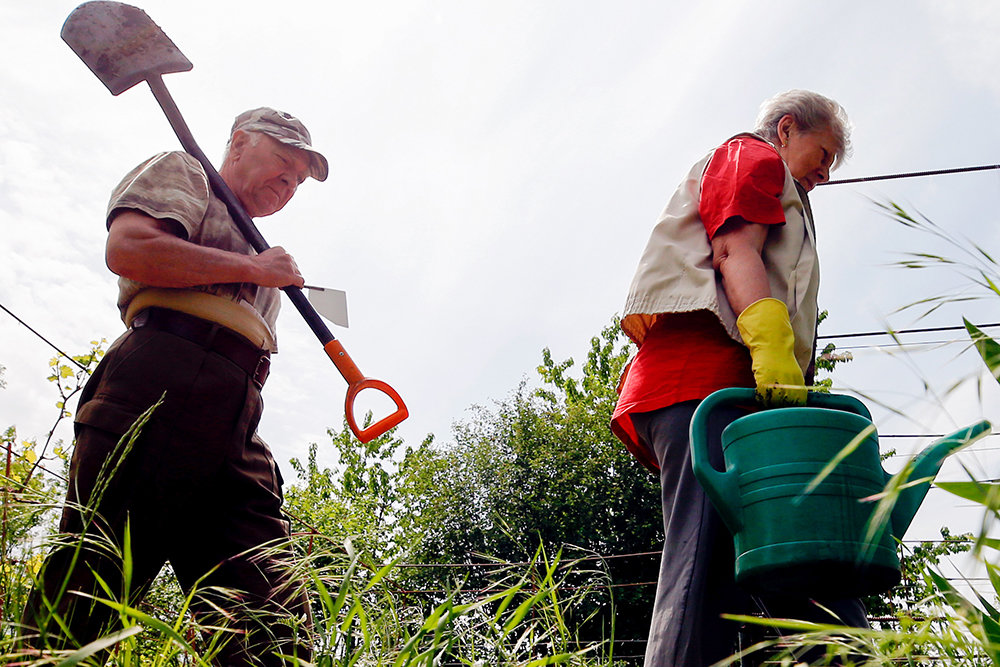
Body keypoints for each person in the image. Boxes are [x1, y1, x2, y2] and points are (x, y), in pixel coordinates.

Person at [22, 107, 328, 665]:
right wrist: (257, 271)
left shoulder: (259, 244)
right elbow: (130, 248)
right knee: (93, 583)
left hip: (237, 412)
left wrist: (261, 271)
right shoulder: (187, 173)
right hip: (161, 377)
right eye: (282, 164)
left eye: (297, 181)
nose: (287, 184)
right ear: (238, 143)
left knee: (267, 614)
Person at [610, 90, 868, 666]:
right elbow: (733, 248)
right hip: (703, 390)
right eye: (822, 154)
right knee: (701, 572)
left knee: (793, 568)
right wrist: (773, 345)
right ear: (786, 129)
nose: (824, 174)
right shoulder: (752, 157)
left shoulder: (791, 196)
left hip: (747, 407)